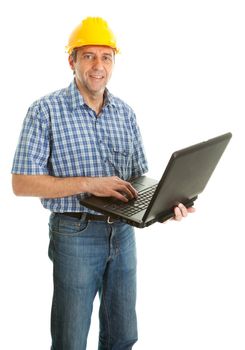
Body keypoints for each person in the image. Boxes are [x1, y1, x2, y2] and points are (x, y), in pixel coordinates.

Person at [11, 17, 195, 350]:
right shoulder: (44, 111)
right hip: (75, 234)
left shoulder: (124, 113)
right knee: (71, 340)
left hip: (123, 234)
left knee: (123, 336)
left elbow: (136, 179)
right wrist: (90, 184)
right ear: (72, 61)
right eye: (89, 56)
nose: (98, 65)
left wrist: (167, 205)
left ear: (114, 62)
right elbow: (22, 183)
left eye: (106, 56)